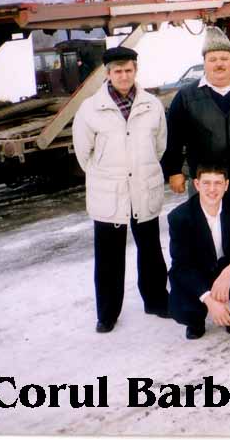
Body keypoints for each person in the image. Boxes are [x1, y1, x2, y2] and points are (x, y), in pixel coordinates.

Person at [72, 46, 169, 333]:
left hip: (143, 187)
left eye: (128, 70)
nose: (124, 76)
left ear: (135, 70)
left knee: (150, 249)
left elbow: (160, 146)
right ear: (108, 73)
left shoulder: (152, 105)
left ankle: (156, 300)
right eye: (118, 71)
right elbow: (84, 153)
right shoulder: (90, 108)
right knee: (108, 257)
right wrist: (107, 174)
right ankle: (107, 313)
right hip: (109, 192)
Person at [163, 27, 230, 220]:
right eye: (213, 59)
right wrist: (174, 171)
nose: (219, 64)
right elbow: (174, 138)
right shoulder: (186, 97)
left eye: (224, 58)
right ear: (204, 62)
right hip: (205, 183)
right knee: (208, 230)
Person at [167, 164, 230, 342]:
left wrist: (229, 272)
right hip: (199, 270)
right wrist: (209, 299)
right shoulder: (179, 217)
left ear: (226, 185)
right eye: (206, 183)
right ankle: (195, 321)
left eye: (218, 183)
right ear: (197, 184)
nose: (212, 189)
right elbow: (182, 266)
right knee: (182, 307)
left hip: (228, 266)